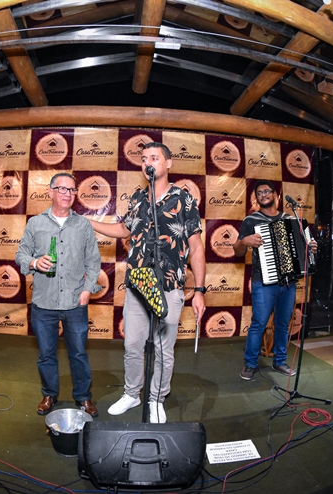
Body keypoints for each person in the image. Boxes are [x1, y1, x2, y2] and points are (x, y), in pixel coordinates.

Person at [90, 142, 206, 423]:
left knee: (164, 349)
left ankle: (156, 399)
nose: (147, 163)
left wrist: (200, 290)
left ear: (168, 163)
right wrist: (89, 223)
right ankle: (132, 394)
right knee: (132, 345)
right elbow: (123, 229)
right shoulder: (139, 198)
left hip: (169, 284)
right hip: (138, 283)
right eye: (144, 159)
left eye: (154, 158)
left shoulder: (184, 199)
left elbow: (196, 246)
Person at [16, 173, 102, 417]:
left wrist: (87, 290)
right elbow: (21, 255)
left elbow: (93, 261)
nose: (67, 194)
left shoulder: (83, 225)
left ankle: (83, 397)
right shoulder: (35, 223)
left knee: (79, 354)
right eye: (62, 189)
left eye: (72, 190)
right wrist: (34, 262)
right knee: (46, 355)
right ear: (50, 191)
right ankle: (49, 394)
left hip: (75, 302)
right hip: (44, 303)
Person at [234, 180, 316, 380]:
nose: (263, 194)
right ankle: (250, 364)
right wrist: (244, 241)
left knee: (283, 324)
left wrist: (311, 247)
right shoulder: (251, 220)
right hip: (263, 282)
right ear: (256, 198)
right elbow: (237, 251)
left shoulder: (290, 219)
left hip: (288, 282)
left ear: (276, 195)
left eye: (267, 191)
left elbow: (302, 249)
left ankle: (280, 361)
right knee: (259, 323)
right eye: (259, 192)